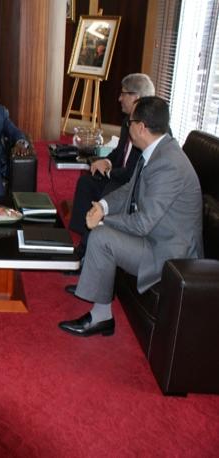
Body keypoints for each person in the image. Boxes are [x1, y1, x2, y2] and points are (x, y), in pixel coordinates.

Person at [58, 96, 203, 337]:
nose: (127, 126)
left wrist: (102, 221)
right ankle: (97, 294)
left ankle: (101, 317)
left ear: (142, 127)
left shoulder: (169, 164)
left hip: (168, 253)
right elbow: (129, 189)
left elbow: (143, 223)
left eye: (130, 122)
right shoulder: (156, 151)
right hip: (156, 236)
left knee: (102, 236)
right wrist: (103, 206)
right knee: (103, 230)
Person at [68, 73, 156, 261]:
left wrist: (109, 172)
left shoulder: (149, 130)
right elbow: (119, 151)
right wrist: (106, 161)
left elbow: (132, 173)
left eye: (123, 94)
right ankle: (82, 231)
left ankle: (85, 251)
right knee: (86, 182)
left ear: (136, 97)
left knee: (108, 192)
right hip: (118, 175)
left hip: (129, 183)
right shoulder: (128, 122)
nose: (119, 98)